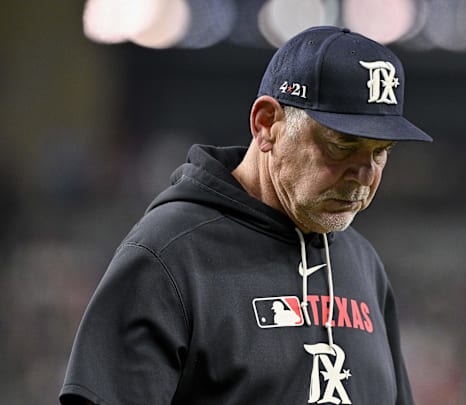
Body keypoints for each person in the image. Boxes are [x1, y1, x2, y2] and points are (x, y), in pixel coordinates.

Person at [59, 25, 432, 404]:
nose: (365, 174)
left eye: (380, 150)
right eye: (341, 145)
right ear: (266, 124)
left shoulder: (362, 262)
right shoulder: (168, 257)